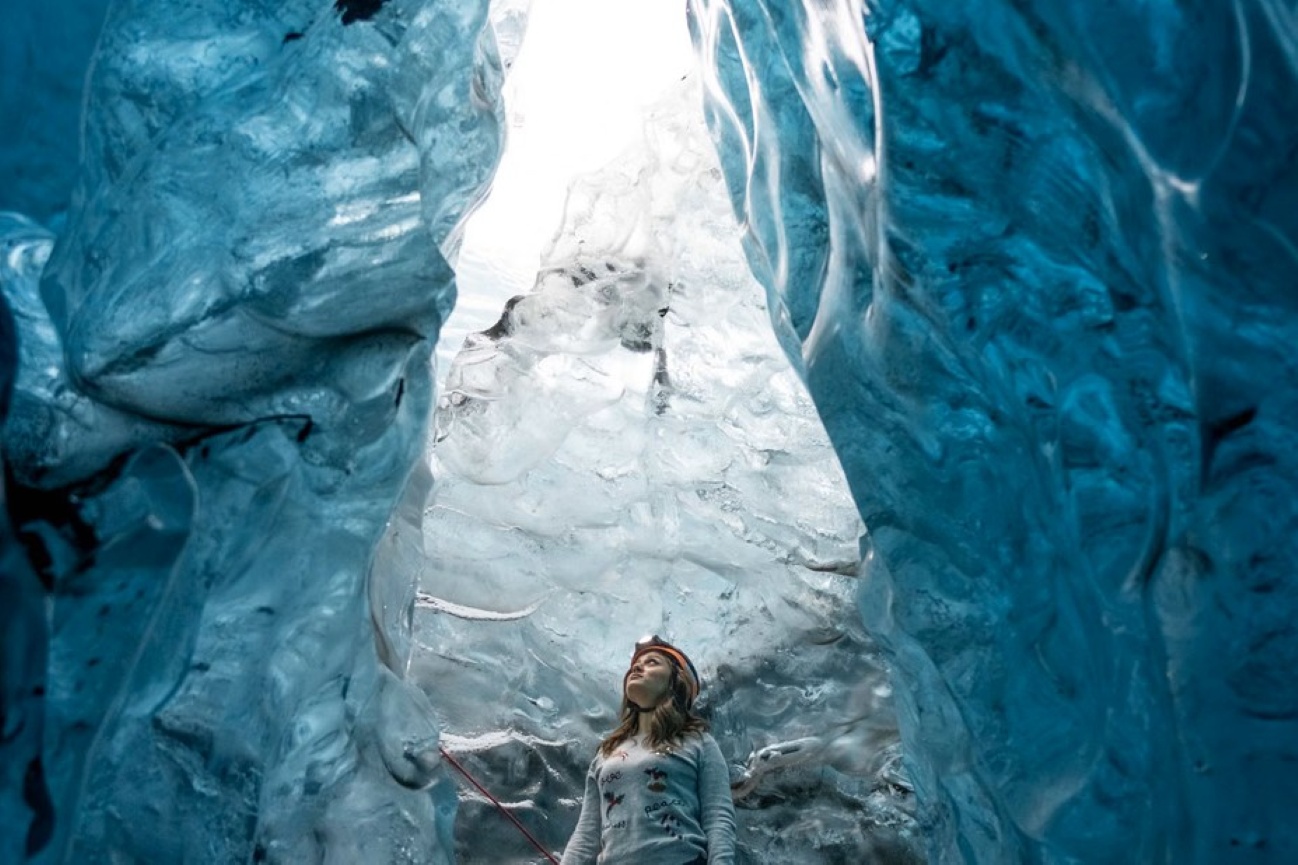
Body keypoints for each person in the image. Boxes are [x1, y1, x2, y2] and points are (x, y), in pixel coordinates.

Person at [560, 636, 736, 865]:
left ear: (675, 682)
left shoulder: (699, 742)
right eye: (635, 665)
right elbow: (586, 834)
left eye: (652, 662)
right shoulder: (606, 753)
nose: (638, 666)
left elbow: (718, 817)